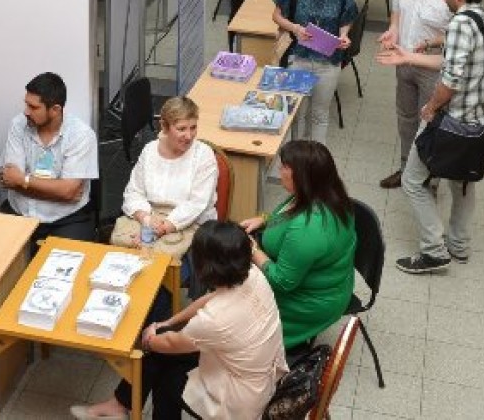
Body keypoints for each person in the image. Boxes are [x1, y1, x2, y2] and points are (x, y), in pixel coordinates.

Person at [71, 221, 287, 420]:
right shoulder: (251, 274)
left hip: (239, 397)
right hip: (251, 366)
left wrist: (150, 337)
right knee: (162, 348)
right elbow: (207, 300)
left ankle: (120, 405)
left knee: (166, 377)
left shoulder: (214, 320)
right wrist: (166, 323)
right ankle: (119, 405)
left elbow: (172, 343)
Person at [376, 0, 484, 273]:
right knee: (462, 183)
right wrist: (415, 53)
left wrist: (432, 106)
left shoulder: (460, 23)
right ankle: (459, 246)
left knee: (412, 181)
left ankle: (434, 250)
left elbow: (451, 77)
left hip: (453, 124)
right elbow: (464, 59)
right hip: (482, 124)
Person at [240, 140, 356, 353]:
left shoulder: (309, 229)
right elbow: (285, 215)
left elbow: (283, 282)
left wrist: (253, 250)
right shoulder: (322, 194)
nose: (279, 170)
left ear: (301, 176)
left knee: (236, 316)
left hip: (308, 302)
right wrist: (264, 219)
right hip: (326, 284)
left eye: (285, 167)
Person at [378, 0, 453, 190]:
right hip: (404, 63)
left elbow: (458, 34)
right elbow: (397, 12)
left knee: (430, 123)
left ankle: (428, 178)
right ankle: (406, 168)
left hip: (433, 71)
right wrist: (392, 30)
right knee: (406, 118)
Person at [272, 0, 358, 144]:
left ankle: (315, 162)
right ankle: (294, 160)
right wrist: (295, 28)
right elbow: (277, 15)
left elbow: (347, 18)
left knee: (320, 115)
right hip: (299, 58)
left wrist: (344, 34)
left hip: (328, 62)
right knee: (296, 114)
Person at [0, 72, 99, 251]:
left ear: (55, 109)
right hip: (19, 214)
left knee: (61, 273)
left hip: (66, 220)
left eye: (33, 107)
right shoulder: (18, 125)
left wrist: (23, 181)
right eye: (26, 104)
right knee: (1, 268)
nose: (26, 112)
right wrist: (60, 192)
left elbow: (68, 192)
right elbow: (8, 179)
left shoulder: (81, 135)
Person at [118, 96, 218, 254]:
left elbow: (196, 205)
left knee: (155, 257)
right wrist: (147, 220)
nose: (189, 136)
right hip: (150, 216)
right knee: (123, 247)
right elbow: (133, 192)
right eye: (181, 129)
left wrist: (160, 230)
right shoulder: (149, 151)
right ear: (164, 127)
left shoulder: (204, 155)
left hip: (189, 223)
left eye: (193, 128)